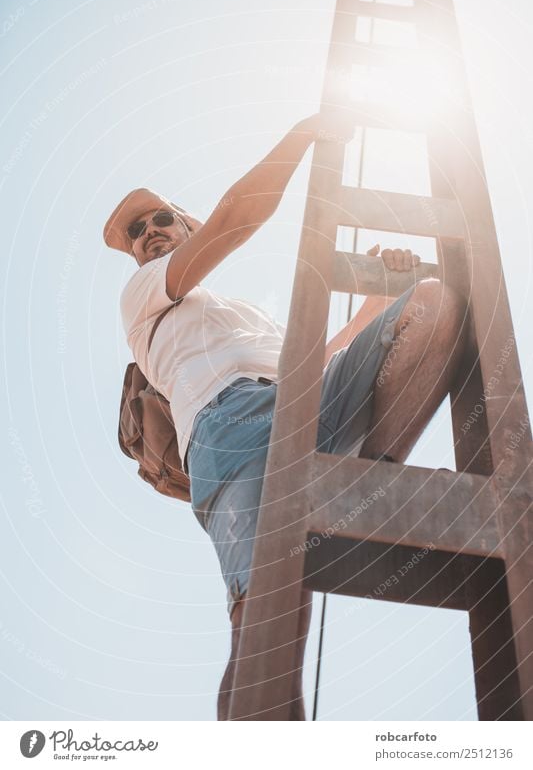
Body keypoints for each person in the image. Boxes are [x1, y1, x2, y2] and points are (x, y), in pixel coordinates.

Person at [104, 112, 467, 720]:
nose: (148, 235)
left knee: (432, 305)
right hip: (229, 427)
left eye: (159, 218)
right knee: (265, 627)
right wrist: (304, 134)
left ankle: (363, 482)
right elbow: (237, 218)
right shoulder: (143, 294)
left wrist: (379, 297)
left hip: (303, 404)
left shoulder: (240, 313)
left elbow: (316, 361)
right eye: (137, 233)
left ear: (184, 222)